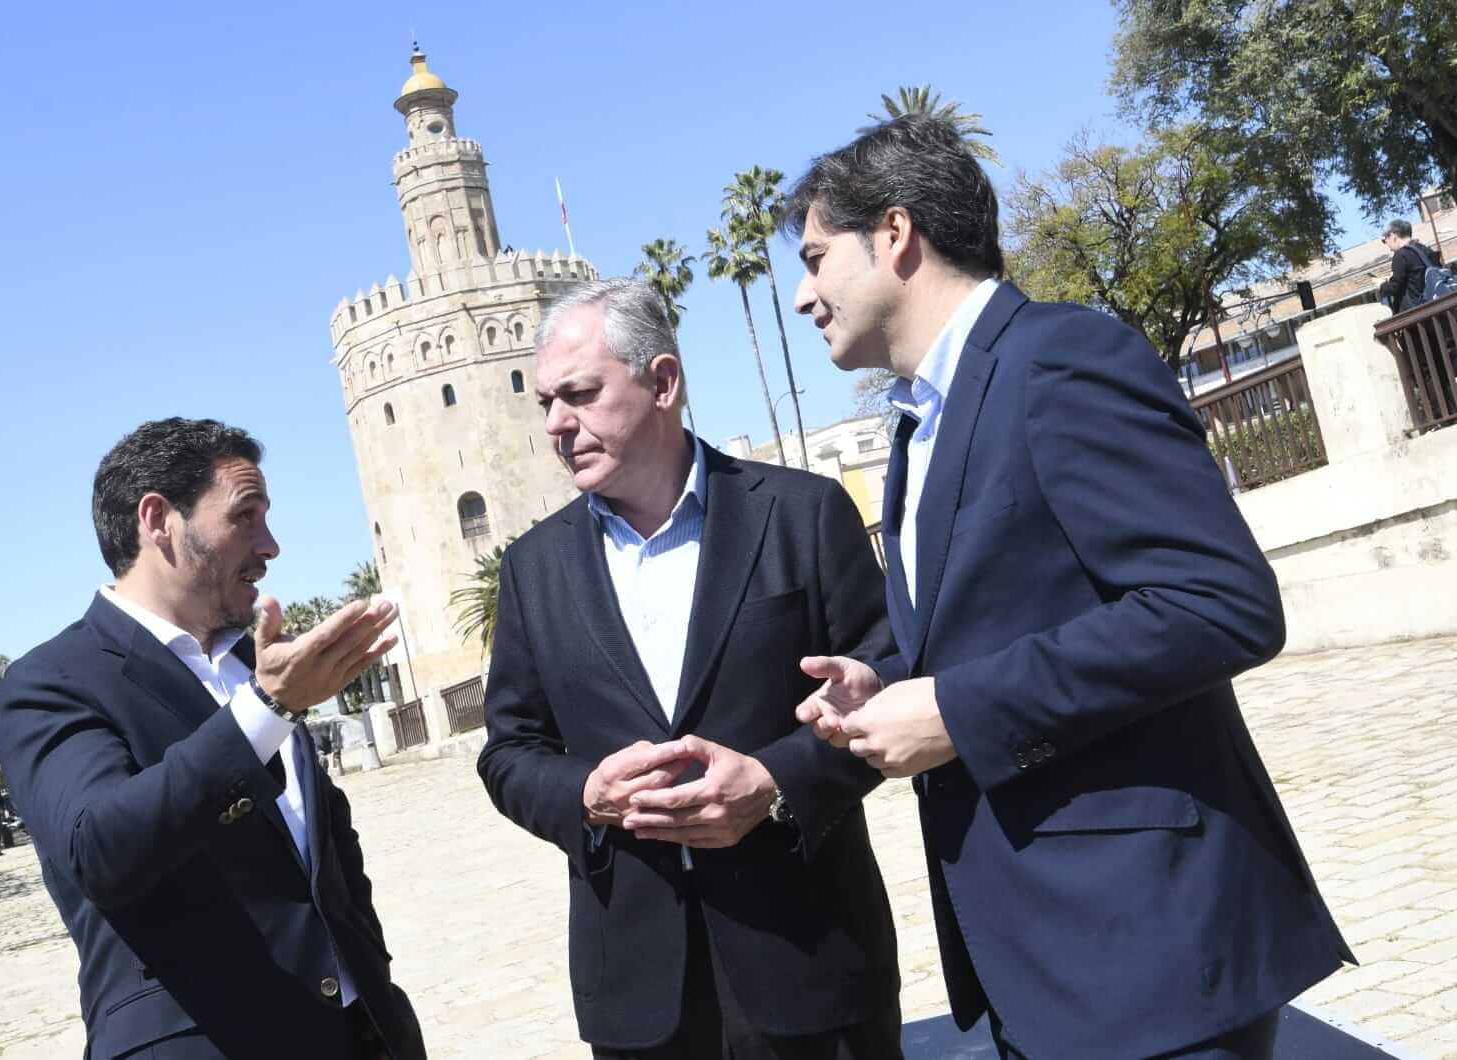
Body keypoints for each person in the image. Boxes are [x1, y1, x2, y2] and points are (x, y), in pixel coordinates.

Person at [781, 114, 1353, 1060]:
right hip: (1042, 961)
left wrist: (958, 711)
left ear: (894, 234)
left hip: (1151, 949)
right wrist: (890, 686)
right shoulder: (920, 422)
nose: (803, 296)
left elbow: (1221, 604)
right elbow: (1018, 609)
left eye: (813, 256)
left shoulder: (1060, 358)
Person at [476, 279, 902, 1059]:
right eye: (545, 403)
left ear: (663, 381)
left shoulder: (802, 515)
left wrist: (775, 784)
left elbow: (888, 681)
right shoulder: (532, 570)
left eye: (579, 394)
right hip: (639, 1001)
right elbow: (508, 752)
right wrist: (587, 795)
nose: (558, 425)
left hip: (812, 967)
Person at [0, 418, 426, 1060]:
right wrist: (268, 709)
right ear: (158, 520)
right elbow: (100, 850)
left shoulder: (256, 664)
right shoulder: (50, 682)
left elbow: (326, 841)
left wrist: (369, 971)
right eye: (244, 517)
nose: (270, 544)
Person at [1378, 218, 1436, 313]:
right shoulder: (1426, 250)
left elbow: (1394, 288)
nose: (1387, 245)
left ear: (1393, 236)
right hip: (1437, 307)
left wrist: (1381, 285)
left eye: (1385, 240)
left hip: (1417, 315)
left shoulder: (1401, 255)